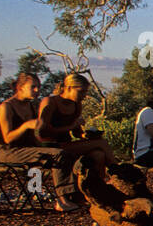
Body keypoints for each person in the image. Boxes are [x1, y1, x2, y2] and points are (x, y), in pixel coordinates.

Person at [0, 71, 84, 211]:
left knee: (62, 153)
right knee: (58, 154)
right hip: (7, 151)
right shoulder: (6, 107)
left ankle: (37, 193)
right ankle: (61, 199)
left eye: (38, 87)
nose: (37, 91)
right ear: (20, 87)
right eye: (33, 87)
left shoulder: (30, 106)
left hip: (26, 149)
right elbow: (7, 138)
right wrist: (26, 126)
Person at [34, 73, 116, 208]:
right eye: (81, 91)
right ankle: (116, 171)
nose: (84, 95)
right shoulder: (50, 102)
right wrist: (70, 126)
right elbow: (42, 133)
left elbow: (76, 133)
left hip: (67, 145)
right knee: (102, 144)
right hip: (52, 146)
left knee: (98, 154)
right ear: (69, 88)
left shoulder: (76, 105)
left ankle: (95, 192)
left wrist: (86, 136)